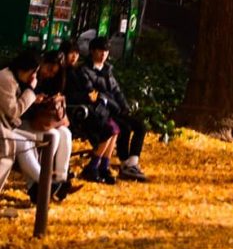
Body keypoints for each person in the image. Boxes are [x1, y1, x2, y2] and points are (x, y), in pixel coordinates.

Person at [0, 50, 72, 203]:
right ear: (24, 69)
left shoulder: (15, 78)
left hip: (12, 126)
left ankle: (55, 180)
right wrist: (31, 93)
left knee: (61, 134)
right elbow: (14, 112)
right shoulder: (6, 79)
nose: (35, 77)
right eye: (34, 72)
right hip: (10, 127)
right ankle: (46, 184)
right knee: (37, 140)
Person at [83, 36, 149, 181]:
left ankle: (131, 162)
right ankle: (123, 163)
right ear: (92, 51)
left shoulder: (108, 70)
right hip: (102, 111)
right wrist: (111, 103)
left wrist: (124, 106)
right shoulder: (86, 71)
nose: (104, 54)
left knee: (140, 127)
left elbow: (116, 90)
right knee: (123, 128)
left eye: (106, 51)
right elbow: (94, 94)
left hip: (116, 109)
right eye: (100, 51)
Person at [64, 40, 120, 184]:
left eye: (76, 53)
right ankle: (93, 166)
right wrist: (88, 97)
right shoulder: (70, 72)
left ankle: (103, 166)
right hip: (79, 111)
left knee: (116, 129)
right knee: (111, 129)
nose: (74, 57)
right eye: (71, 53)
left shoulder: (76, 71)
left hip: (91, 108)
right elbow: (73, 94)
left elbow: (110, 90)